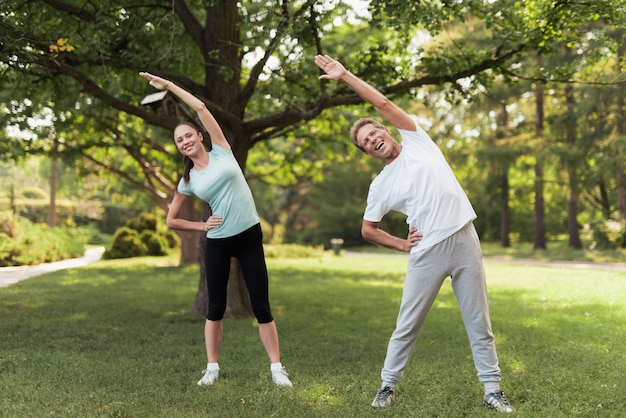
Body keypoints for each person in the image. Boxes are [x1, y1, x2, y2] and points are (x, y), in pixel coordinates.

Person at [314, 54, 513, 413]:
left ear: (386, 131)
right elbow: (368, 229)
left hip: (466, 240)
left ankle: (492, 389)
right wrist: (402, 244)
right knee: (407, 324)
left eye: (374, 132)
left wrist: (345, 76)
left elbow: (383, 102)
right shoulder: (381, 186)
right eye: (365, 141)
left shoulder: (418, 140)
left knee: (479, 322)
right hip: (428, 254)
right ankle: (387, 385)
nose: (373, 139)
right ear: (366, 152)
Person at [139, 71, 292, 388]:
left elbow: (200, 108)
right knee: (215, 308)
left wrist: (168, 86)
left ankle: (277, 369)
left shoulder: (222, 148)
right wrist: (201, 225)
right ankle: (212, 368)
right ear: (179, 148)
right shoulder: (188, 181)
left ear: (199, 135)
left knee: (261, 305)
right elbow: (172, 220)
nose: (185, 141)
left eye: (188, 135)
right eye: (179, 140)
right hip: (219, 242)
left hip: (249, 235)